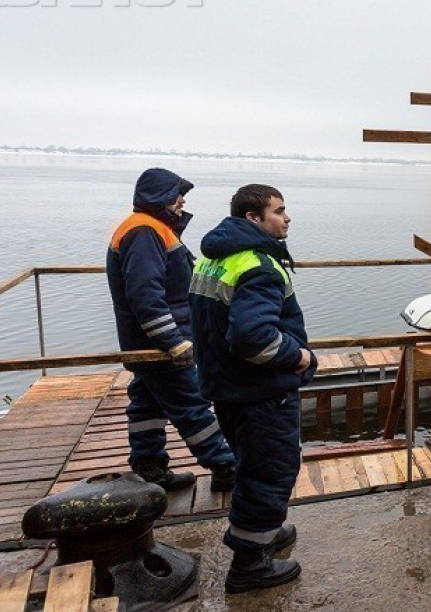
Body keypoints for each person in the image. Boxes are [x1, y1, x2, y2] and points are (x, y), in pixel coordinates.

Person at [188, 184, 317, 594]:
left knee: (251, 464)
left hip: (228, 387)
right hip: (262, 392)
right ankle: (249, 565)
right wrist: (299, 357)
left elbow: (210, 326)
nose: (287, 217)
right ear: (253, 218)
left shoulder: (215, 259)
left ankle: (265, 533)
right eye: (279, 211)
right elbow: (253, 338)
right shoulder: (258, 266)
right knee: (271, 471)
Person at [106, 168, 236, 492]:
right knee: (191, 402)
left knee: (147, 402)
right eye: (178, 194)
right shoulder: (145, 231)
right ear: (160, 196)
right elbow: (145, 295)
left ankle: (150, 468)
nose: (183, 201)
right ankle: (226, 466)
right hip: (160, 344)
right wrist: (172, 341)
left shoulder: (152, 228)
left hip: (150, 341)